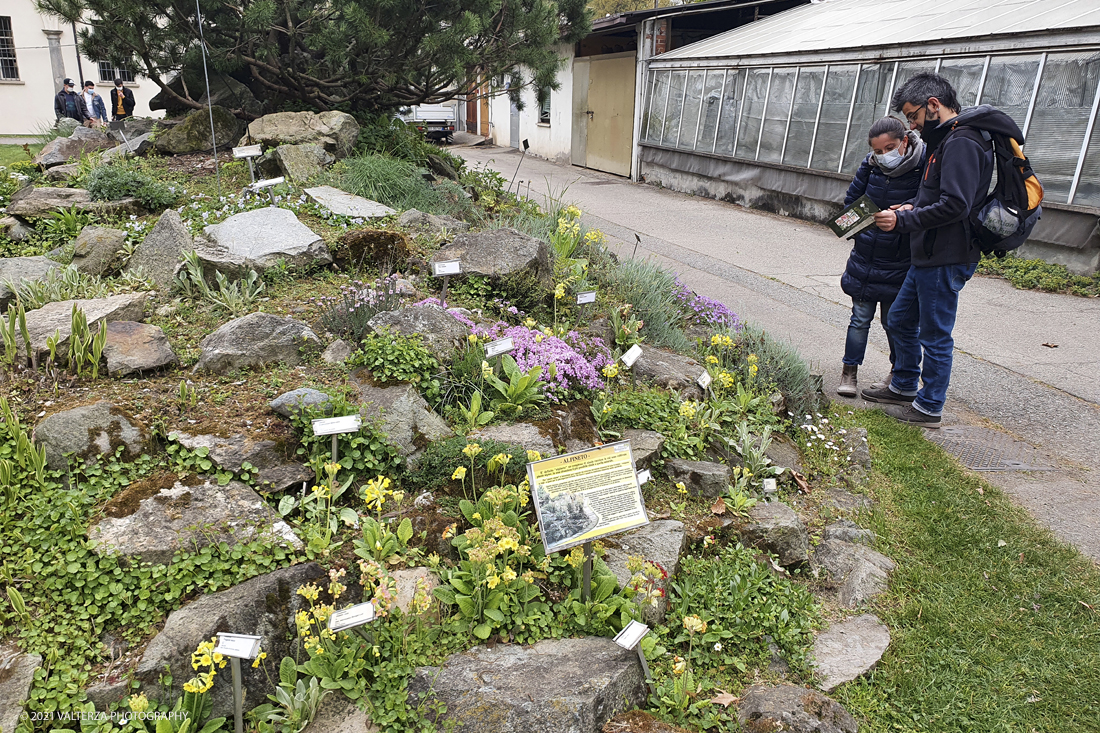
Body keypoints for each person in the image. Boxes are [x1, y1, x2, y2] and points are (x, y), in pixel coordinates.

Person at [864, 72, 1025, 428]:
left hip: (947, 254)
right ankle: (904, 384)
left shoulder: (963, 142)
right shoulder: (948, 139)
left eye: (913, 116)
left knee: (934, 333)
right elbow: (935, 197)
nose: (913, 125)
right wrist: (909, 206)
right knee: (900, 319)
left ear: (933, 105)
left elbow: (955, 205)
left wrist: (903, 222)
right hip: (929, 253)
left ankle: (929, 406)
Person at [836, 116, 924, 398]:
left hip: (899, 261)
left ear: (904, 142)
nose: (884, 156)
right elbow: (850, 205)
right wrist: (864, 222)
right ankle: (849, 372)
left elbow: (929, 207)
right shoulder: (869, 167)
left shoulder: (923, 168)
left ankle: (897, 373)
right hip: (866, 256)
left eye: (890, 148)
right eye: (878, 151)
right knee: (860, 318)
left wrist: (905, 213)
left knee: (894, 322)